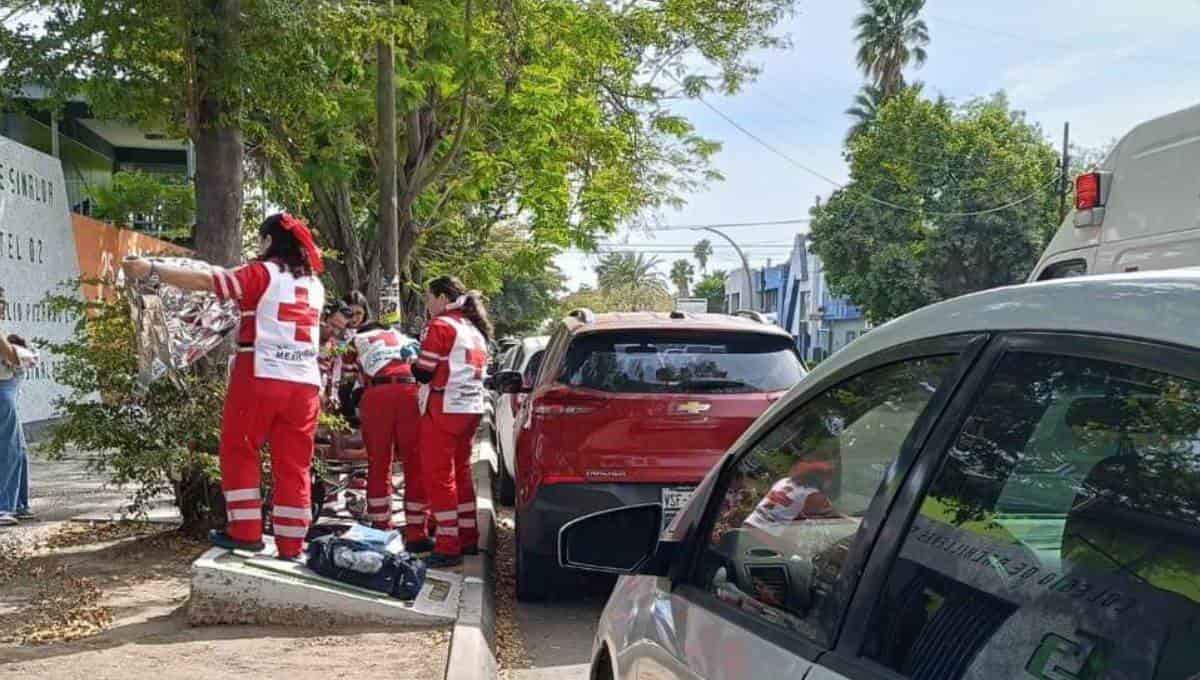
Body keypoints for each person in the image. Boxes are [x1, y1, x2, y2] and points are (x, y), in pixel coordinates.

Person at [122, 212, 325, 560]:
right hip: (305, 382)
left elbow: (209, 280)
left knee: (240, 449)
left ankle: (245, 532)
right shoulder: (315, 286)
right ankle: (292, 544)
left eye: (261, 239)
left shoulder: (262, 274)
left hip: (260, 371)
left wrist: (152, 270)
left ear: (270, 241)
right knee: (294, 464)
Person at [412, 276, 491, 567]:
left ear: (443, 298)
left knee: (439, 477)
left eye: (429, 298)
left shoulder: (441, 326)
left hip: (444, 407)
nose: (427, 304)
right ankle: (468, 536)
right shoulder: (474, 329)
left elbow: (423, 372)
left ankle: (447, 545)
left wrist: (411, 361)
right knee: (461, 473)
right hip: (470, 408)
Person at [347, 305, 425, 543]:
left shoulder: (356, 339)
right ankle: (417, 532)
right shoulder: (405, 338)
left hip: (378, 394)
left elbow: (347, 375)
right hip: (412, 391)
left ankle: (381, 525)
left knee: (379, 462)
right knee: (415, 463)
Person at [0, 327, 38, 527]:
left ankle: (19, 503)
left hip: (8, 401)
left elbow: (20, 358)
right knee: (9, 452)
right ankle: (3, 507)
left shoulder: (20, 352)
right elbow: (15, 359)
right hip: (4, 400)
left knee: (19, 452)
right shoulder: (18, 354)